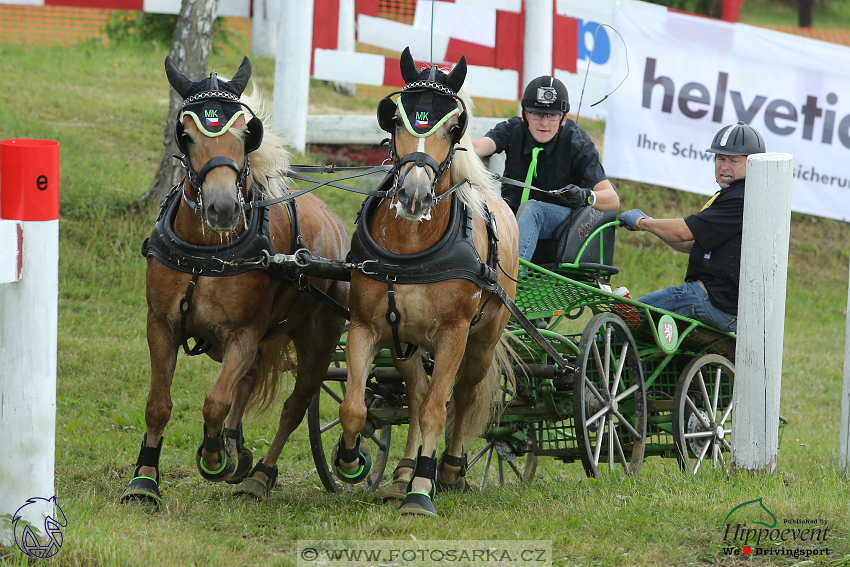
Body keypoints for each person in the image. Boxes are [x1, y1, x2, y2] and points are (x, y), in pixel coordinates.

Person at [617, 121, 766, 333]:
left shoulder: (740, 198)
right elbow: (688, 243)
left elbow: (683, 231)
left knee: (629, 315)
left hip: (713, 300)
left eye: (734, 160)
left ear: (752, 165)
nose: (724, 166)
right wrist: (651, 225)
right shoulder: (736, 195)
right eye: (720, 158)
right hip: (719, 302)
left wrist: (643, 223)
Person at [472, 76, 619, 262]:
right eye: (537, 114)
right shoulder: (513, 129)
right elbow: (478, 147)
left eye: (552, 116)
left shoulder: (578, 144)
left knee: (533, 210)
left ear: (564, 118)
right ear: (525, 114)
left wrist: (585, 196)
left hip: (562, 223)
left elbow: (612, 199)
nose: (544, 123)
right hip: (511, 215)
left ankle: (511, 277)